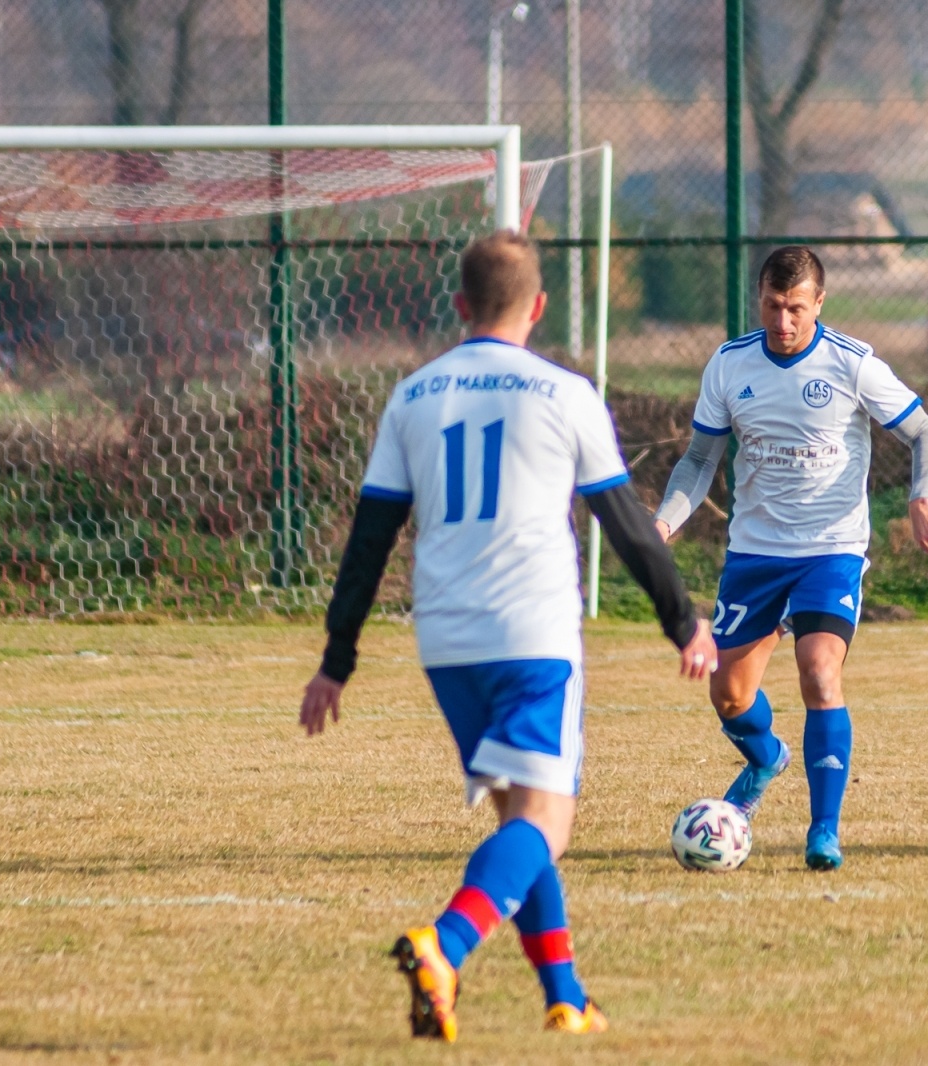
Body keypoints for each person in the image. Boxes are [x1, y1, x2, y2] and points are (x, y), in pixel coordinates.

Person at [297, 231, 717, 1041]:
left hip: (447, 641)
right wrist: (682, 620)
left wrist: (336, 660)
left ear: (459, 307)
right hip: (533, 633)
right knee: (544, 824)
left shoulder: (413, 395)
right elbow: (626, 524)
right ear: (540, 307)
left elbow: (369, 539)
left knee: (517, 822)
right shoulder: (564, 393)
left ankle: (565, 997)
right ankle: (444, 944)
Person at [654, 245, 928, 871]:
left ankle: (823, 832)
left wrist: (922, 501)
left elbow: (926, 433)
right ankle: (767, 759)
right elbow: (700, 459)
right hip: (755, 552)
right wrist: (661, 523)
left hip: (831, 549)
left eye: (796, 308)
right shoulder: (729, 364)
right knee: (730, 697)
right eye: (772, 305)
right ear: (758, 300)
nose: (783, 321)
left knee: (819, 671)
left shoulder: (852, 364)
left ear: (819, 303)